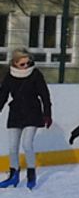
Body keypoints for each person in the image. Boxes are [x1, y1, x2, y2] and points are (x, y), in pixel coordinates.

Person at [0, 48, 53, 190]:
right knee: (12, 147)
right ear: (15, 63)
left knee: (27, 144)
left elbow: (45, 95)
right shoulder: (9, 75)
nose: (26, 66)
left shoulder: (35, 74)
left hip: (33, 113)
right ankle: (13, 175)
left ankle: (31, 174)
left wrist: (47, 114)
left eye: (28, 63)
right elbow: (3, 95)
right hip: (16, 113)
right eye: (22, 64)